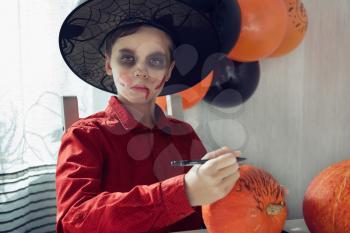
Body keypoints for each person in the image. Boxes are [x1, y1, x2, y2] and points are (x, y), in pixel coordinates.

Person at [56, 1, 241, 232]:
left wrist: (238, 187)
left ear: (168, 72)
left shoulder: (184, 134)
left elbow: (213, 211)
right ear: (108, 65)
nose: (141, 71)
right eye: (127, 58)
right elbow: (74, 222)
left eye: (155, 61)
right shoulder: (84, 137)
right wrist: (184, 192)